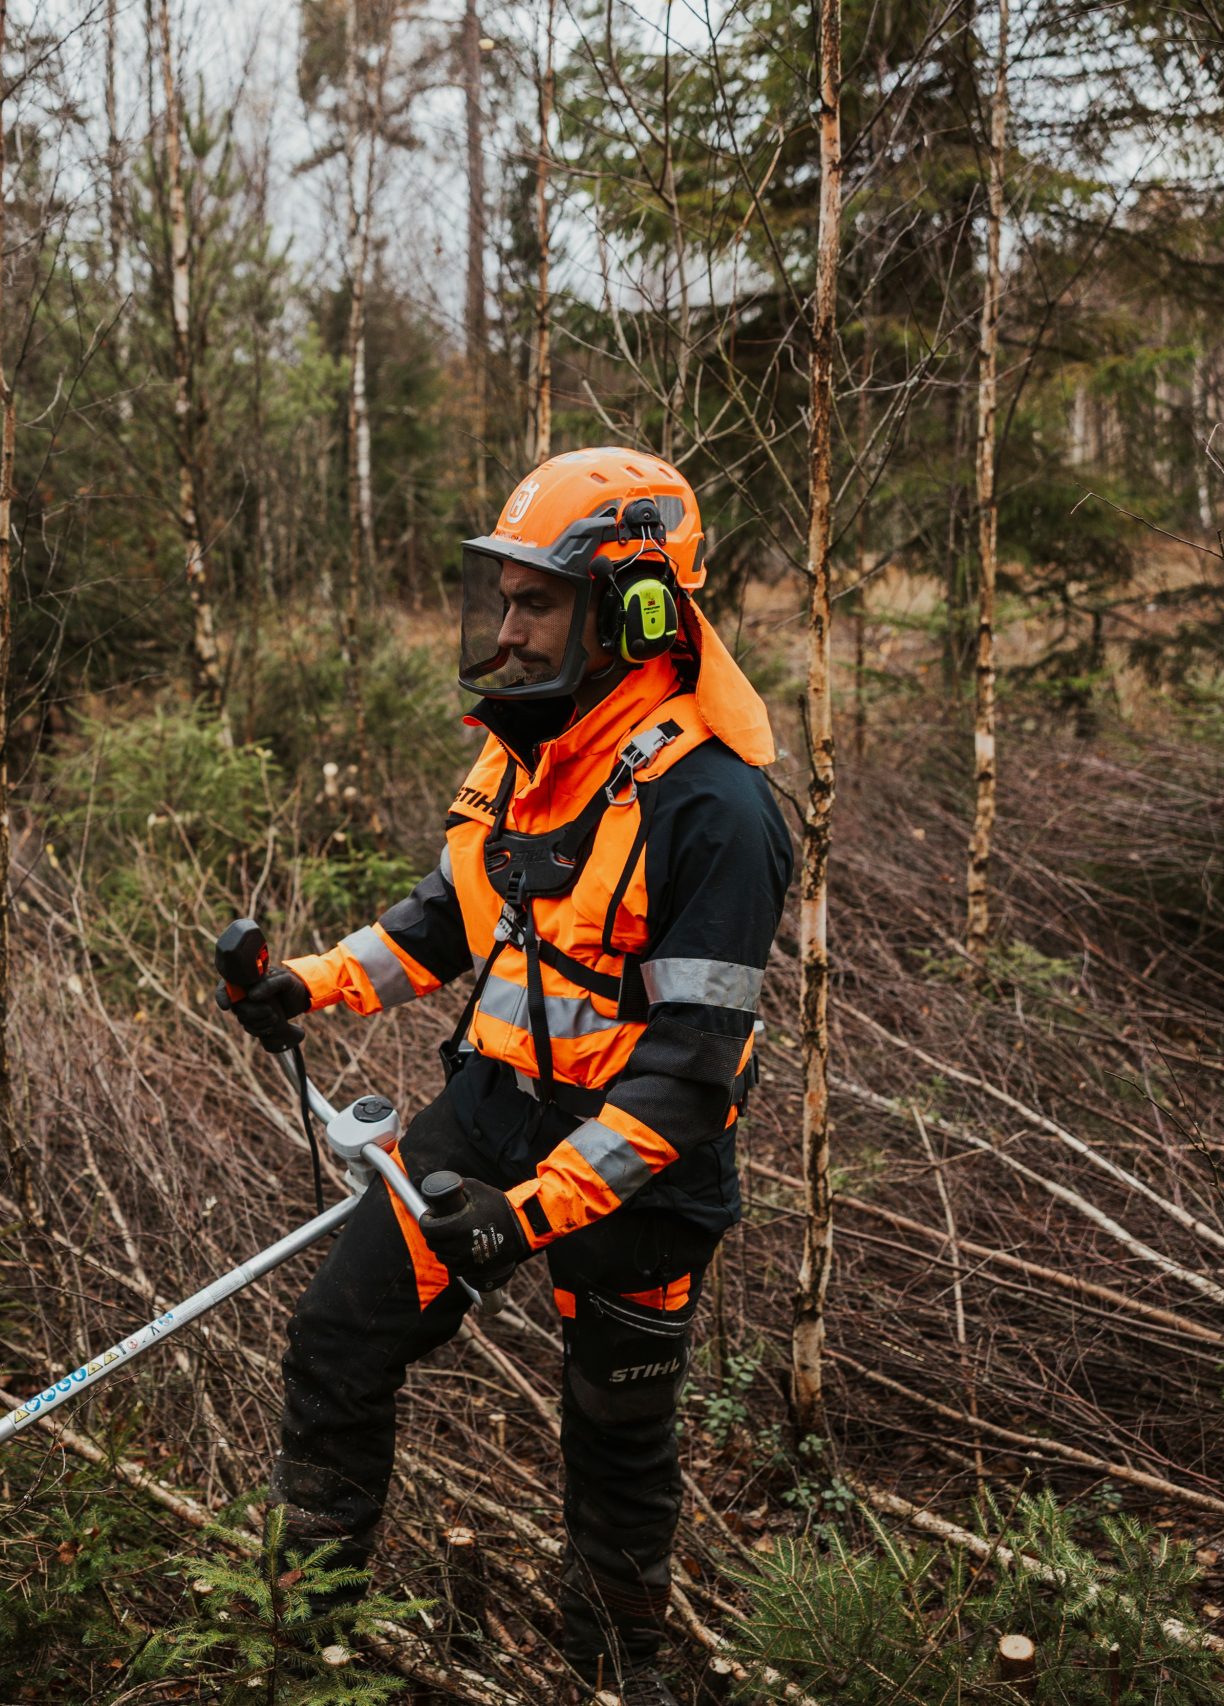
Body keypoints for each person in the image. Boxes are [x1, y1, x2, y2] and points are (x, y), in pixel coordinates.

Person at [223, 448, 793, 1703]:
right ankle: (306, 1648)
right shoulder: (522, 752)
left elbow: (688, 1076)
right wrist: (308, 982)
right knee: (337, 1337)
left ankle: (617, 1670)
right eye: (503, 595)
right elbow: (445, 920)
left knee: (616, 1435)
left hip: (640, 1172)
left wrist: (523, 1217)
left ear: (635, 609)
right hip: (489, 1112)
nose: (508, 627)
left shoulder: (716, 808)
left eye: (539, 601)